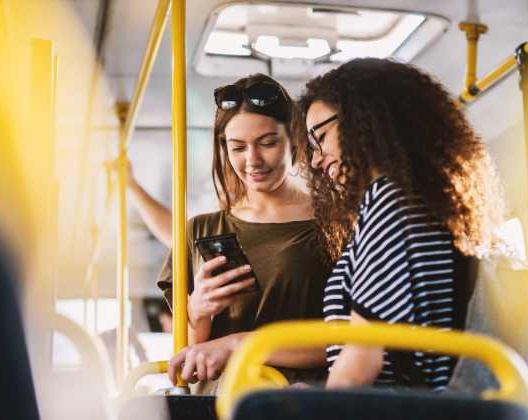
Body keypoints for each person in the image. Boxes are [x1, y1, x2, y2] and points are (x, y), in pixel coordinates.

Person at [298, 58, 505, 391]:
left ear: (365, 120)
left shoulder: (389, 200)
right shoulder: (431, 201)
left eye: (321, 137)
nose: (315, 159)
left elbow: (364, 360)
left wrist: (314, 405)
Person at [157, 73, 330, 392]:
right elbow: (189, 357)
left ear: (294, 138)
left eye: (267, 143)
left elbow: (349, 340)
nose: (253, 161)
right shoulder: (201, 229)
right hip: (219, 401)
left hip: (297, 401)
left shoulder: (332, 223)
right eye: (237, 147)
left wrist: (239, 344)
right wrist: (198, 312)